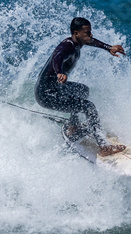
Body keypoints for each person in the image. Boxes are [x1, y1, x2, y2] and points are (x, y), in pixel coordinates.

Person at [36, 17, 126, 157]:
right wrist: (59, 72)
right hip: (46, 94)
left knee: (82, 90)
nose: (90, 35)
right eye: (87, 33)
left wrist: (109, 48)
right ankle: (104, 147)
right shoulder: (67, 46)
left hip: (55, 88)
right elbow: (57, 57)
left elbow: (92, 41)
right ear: (76, 33)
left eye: (90, 32)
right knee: (89, 107)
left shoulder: (76, 42)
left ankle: (73, 126)